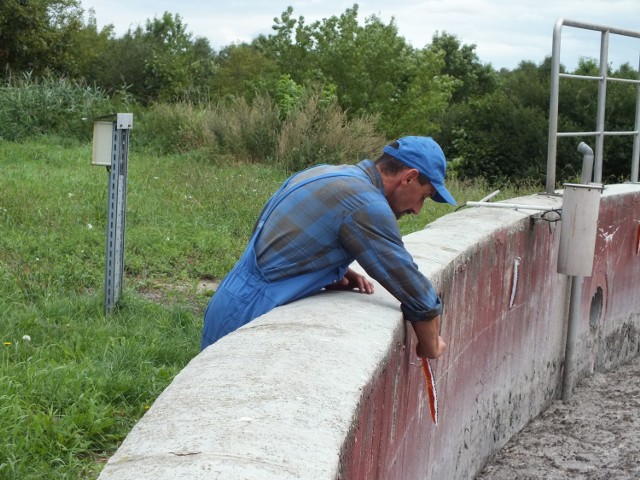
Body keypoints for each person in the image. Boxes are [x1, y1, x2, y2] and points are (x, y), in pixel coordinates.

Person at [201, 136, 456, 359]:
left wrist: (330, 270)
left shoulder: (327, 172)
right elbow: (411, 286)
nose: (417, 210)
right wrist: (431, 344)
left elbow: (278, 236)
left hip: (231, 298)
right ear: (409, 177)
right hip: (251, 313)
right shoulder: (365, 202)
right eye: (423, 197)